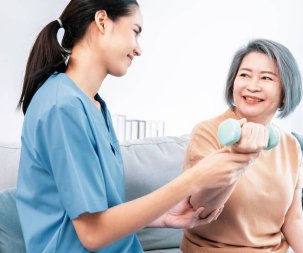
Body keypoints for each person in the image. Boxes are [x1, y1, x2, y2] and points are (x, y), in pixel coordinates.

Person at [15, 1, 256, 252]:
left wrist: (162, 217)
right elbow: (92, 234)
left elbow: (98, 212)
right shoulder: (61, 107)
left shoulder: (94, 106)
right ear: (102, 21)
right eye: (135, 31)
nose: (138, 49)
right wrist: (193, 179)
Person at [181, 39, 303, 253]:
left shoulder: (290, 145)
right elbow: (201, 209)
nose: (252, 86)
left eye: (266, 78)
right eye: (244, 75)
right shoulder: (207, 132)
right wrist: (240, 156)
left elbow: (294, 221)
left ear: (286, 90)